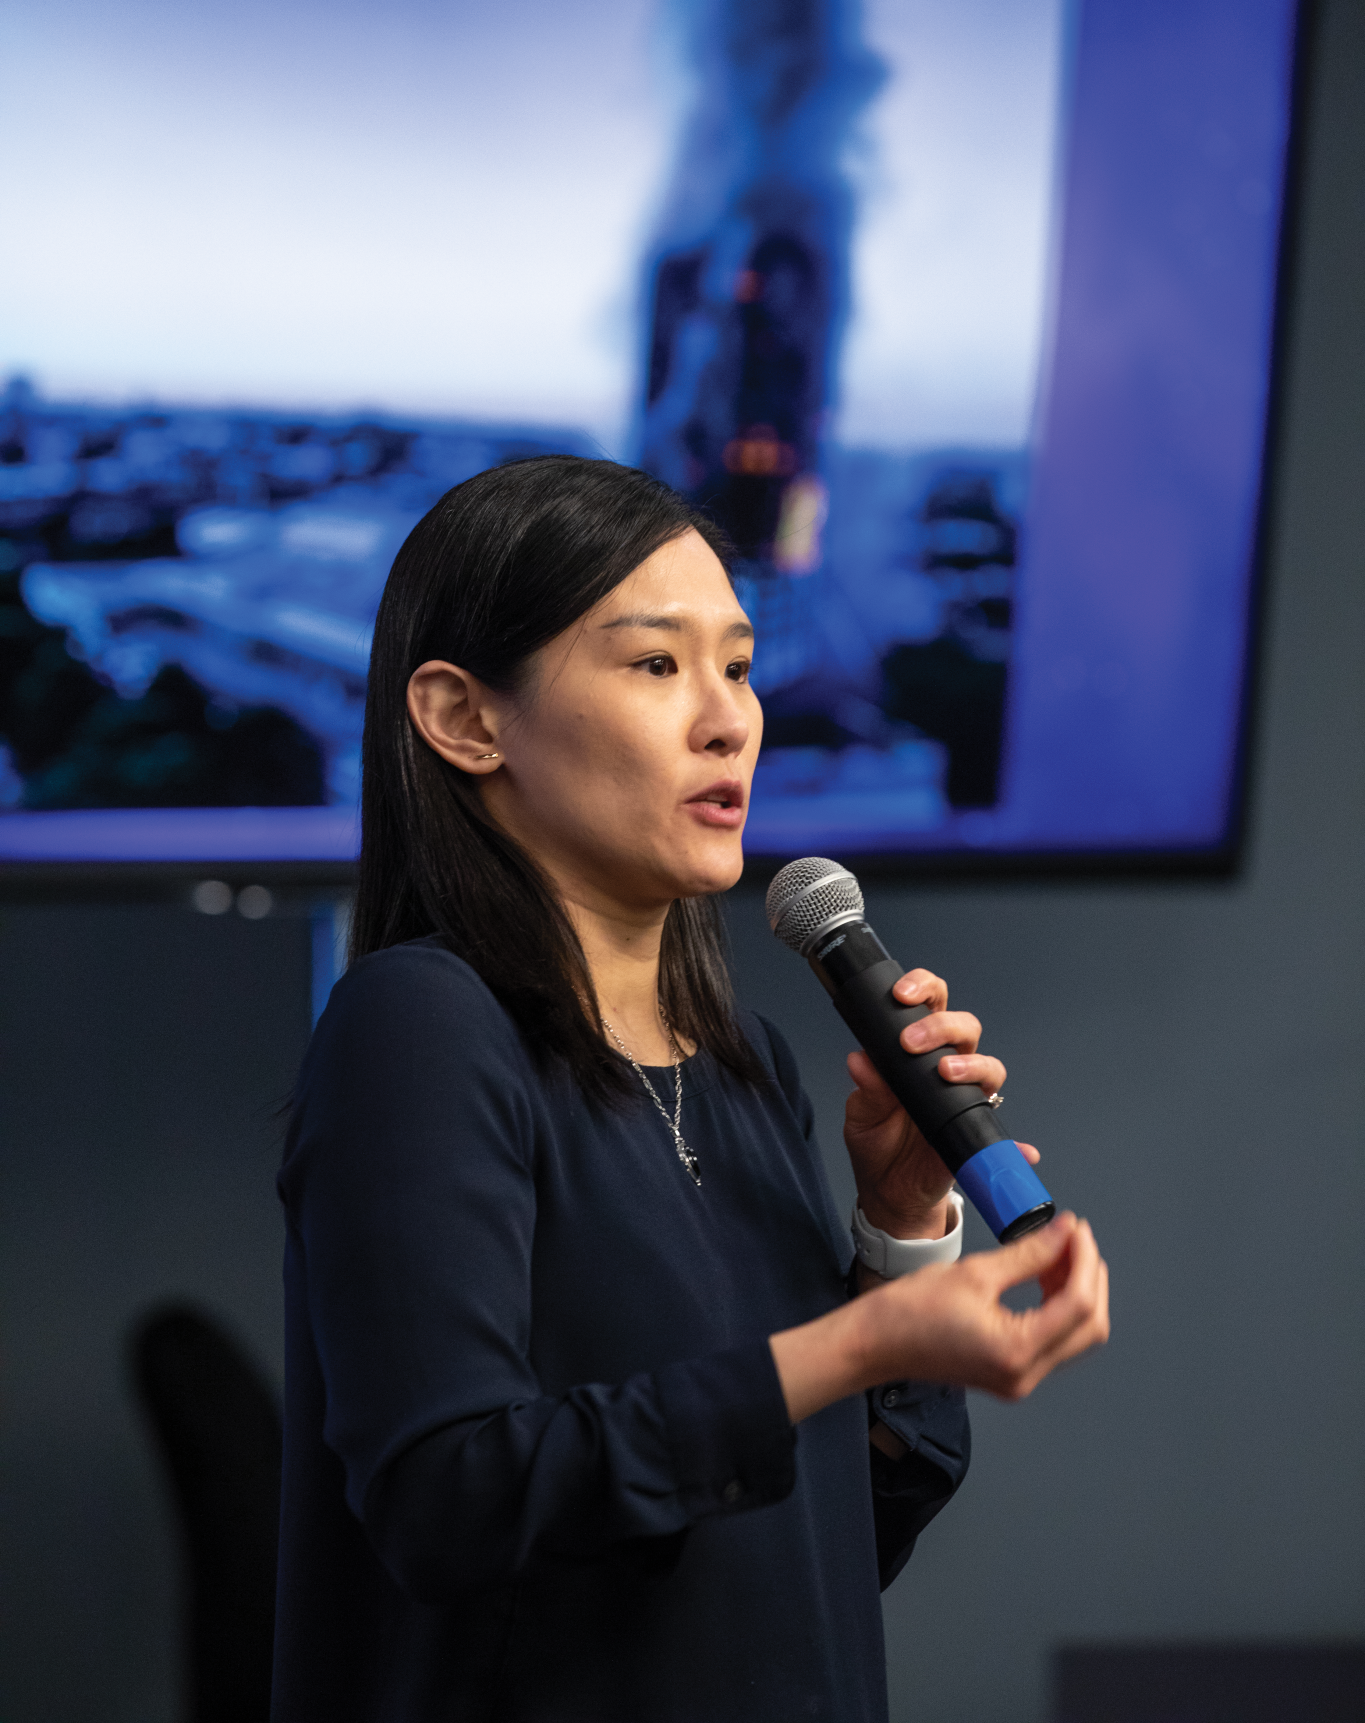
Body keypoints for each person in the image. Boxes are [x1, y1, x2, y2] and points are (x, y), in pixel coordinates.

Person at [272, 456, 1108, 1723]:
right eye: (658, 665)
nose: (729, 720)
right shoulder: (419, 1027)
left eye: (739, 663)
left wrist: (900, 1228)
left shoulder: (744, 1065)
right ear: (463, 719)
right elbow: (451, 1498)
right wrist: (862, 1341)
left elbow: (834, 1537)